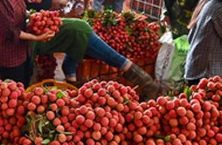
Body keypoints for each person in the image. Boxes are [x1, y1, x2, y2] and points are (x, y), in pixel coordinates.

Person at [33, 18, 161, 99]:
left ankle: (149, 86)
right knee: (67, 66)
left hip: (80, 33)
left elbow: (29, 66)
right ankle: (76, 95)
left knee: (112, 58)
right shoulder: (29, 35)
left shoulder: (29, 39)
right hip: (72, 38)